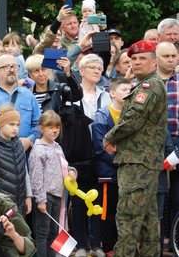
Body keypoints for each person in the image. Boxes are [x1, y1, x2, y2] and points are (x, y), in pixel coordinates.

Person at [103, 40, 167, 257]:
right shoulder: (142, 85)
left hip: (138, 163)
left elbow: (133, 117)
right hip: (141, 162)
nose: (137, 62)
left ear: (153, 62)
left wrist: (110, 136)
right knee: (147, 224)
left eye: (142, 58)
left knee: (128, 221)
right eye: (134, 59)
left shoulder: (150, 86)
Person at [72, 53, 111, 257]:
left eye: (100, 68)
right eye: (93, 67)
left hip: (100, 154)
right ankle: (80, 244)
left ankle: (96, 244)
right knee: (78, 201)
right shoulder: (72, 94)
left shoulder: (106, 95)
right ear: (82, 71)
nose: (98, 70)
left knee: (98, 201)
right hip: (78, 154)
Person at [28, 110, 77, 257]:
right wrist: (41, 200)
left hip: (58, 195)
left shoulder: (58, 147)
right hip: (46, 196)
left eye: (57, 127)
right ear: (41, 128)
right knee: (42, 233)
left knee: (54, 231)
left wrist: (72, 171)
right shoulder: (38, 150)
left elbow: (63, 166)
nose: (55, 130)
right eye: (50, 127)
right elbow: (36, 177)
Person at [91, 77, 131, 255]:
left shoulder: (132, 115)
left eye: (130, 90)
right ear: (112, 93)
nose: (128, 93)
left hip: (129, 173)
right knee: (108, 211)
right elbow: (102, 148)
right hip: (110, 173)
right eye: (124, 90)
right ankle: (108, 247)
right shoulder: (102, 115)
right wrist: (125, 156)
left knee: (126, 212)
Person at [0, 54, 40, 151]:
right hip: (0, 156)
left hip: (25, 156)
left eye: (14, 66)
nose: (11, 70)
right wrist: (8, 145)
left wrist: (30, 140)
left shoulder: (28, 95)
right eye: (6, 67)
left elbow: (39, 123)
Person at [0, 105, 33, 216]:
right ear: (1, 124)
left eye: (17, 125)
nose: (15, 128)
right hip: (1, 203)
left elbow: (24, 171)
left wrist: (28, 196)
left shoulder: (19, 144)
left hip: (19, 201)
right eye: (11, 124)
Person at [155, 41, 179, 244]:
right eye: (166, 56)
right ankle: (157, 241)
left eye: (174, 55)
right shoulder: (149, 82)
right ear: (156, 58)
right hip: (154, 144)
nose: (171, 59)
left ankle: (174, 240)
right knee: (158, 196)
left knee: (178, 196)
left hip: (178, 143)